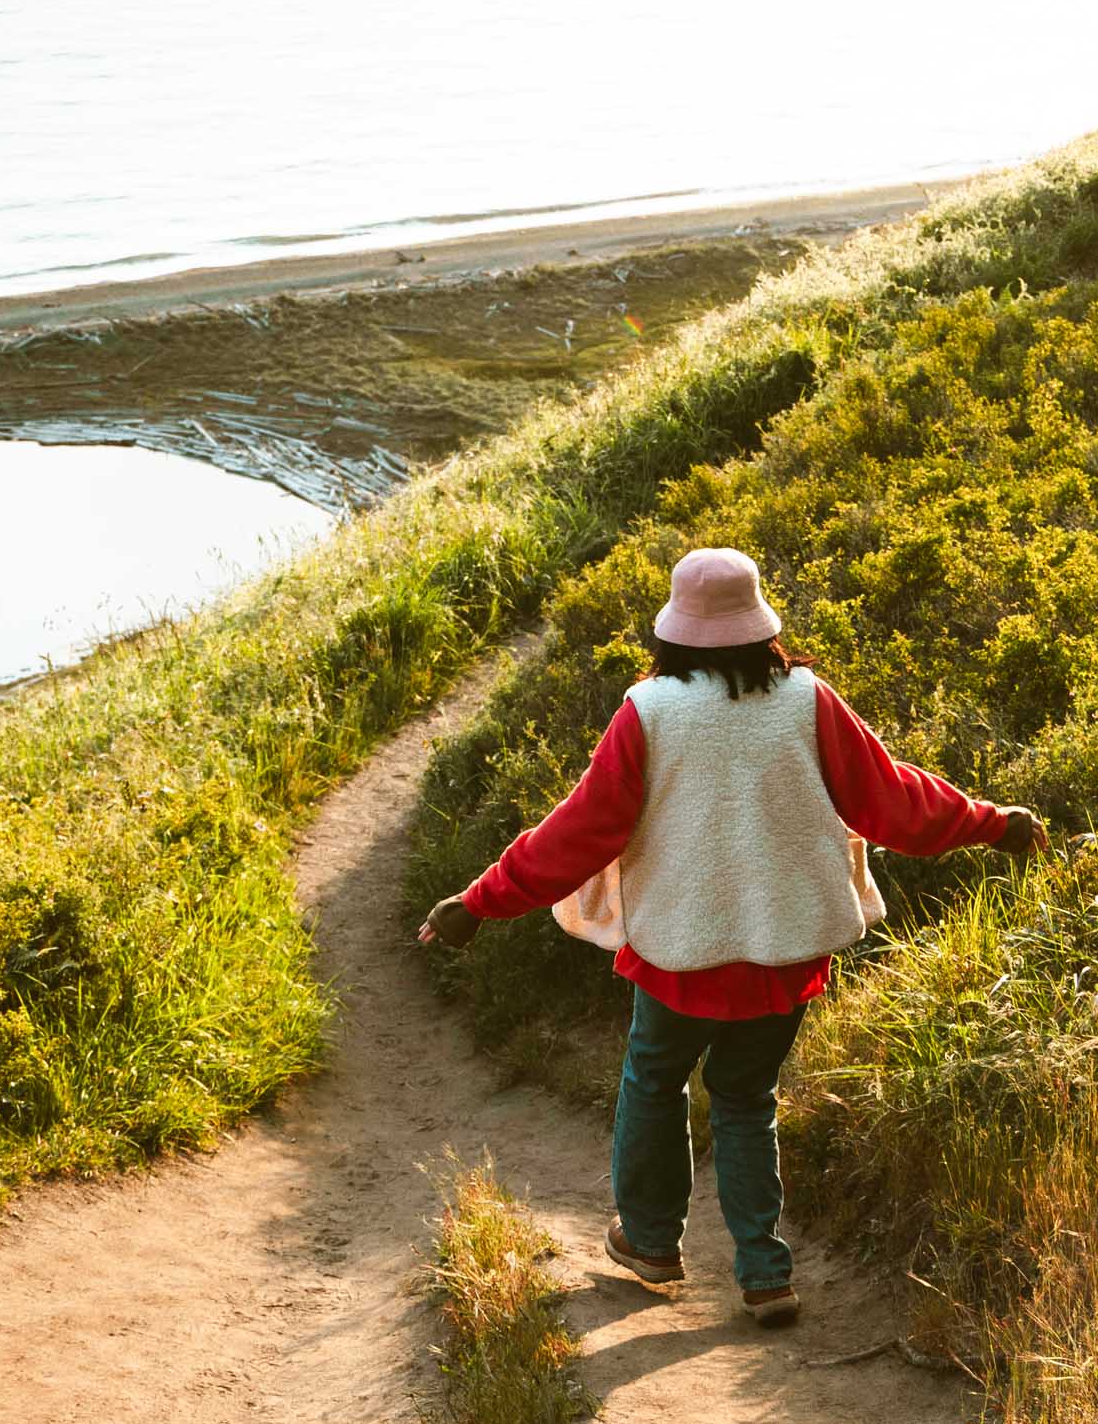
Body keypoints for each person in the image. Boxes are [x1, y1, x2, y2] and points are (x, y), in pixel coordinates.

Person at [418, 547, 1045, 1327]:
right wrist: (992, 823)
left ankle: (651, 1241)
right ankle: (765, 1273)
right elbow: (895, 803)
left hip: (682, 952)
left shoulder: (650, 712)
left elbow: (577, 834)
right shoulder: (808, 701)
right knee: (747, 1098)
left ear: (673, 632)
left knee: (655, 1081)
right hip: (786, 949)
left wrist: (478, 902)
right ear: (760, 625)